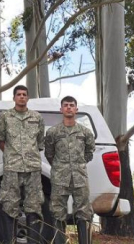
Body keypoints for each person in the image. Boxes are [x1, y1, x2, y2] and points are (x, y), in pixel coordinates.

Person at [0, 85, 46, 244]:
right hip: (12, 168)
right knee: (9, 205)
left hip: (32, 168)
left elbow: (39, 143)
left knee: (34, 206)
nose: (22, 97)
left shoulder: (37, 118)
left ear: (28, 97)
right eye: (19, 94)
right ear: (14, 98)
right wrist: (12, 155)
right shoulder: (5, 116)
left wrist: (28, 156)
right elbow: (1, 140)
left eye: (24, 94)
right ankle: (9, 241)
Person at [44, 96, 96, 244]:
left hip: (80, 177)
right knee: (58, 211)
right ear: (61, 109)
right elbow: (49, 153)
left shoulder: (85, 132)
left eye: (71, 105)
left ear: (76, 109)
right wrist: (61, 167)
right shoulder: (53, 132)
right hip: (60, 178)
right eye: (65, 105)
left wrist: (77, 164)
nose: (68, 107)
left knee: (84, 212)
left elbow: (89, 152)